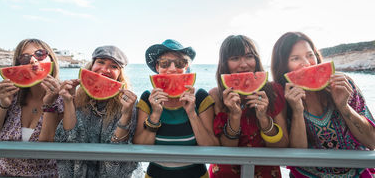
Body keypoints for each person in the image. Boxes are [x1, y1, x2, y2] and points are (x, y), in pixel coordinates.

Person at [271, 31, 375, 177]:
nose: (307, 64)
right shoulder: (282, 97)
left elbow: (372, 141)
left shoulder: (343, 84)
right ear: (283, 66)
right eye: (295, 58)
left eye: (310, 55)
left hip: (356, 173)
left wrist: (344, 107)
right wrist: (297, 111)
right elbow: (298, 155)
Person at [133, 39, 219, 178]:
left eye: (180, 63)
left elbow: (212, 148)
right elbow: (140, 148)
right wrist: (155, 115)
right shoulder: (148, 98)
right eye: (165, 63)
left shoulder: (201, 97)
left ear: (187, 67)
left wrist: (192, 114)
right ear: (157, 67)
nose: (172, 68)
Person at [0, 38, 63, 177]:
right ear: (19, 65)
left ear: (51, 58)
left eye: (40, 54)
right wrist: (3, 105)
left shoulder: (64, 98)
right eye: (25, 58)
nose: (33, 60)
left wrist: (50, 103)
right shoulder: (10, 95)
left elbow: (47, 149)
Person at [209, 35, 289, 178]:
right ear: (224, 63)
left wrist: (263, 118)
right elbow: (227, 149)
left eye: (249, 56)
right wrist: (234, 116)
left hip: (267, 174)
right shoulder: (216, 96)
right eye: (235, 58)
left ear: (256, 60)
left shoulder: (274, 91)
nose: (244, 64)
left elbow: (281, 145)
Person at [54, 45, 139, 178]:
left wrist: (126, 114)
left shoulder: (128, 103)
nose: (105, 69)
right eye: (100, 62)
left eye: (114, 66)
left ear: (120, 75)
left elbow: (117, 155)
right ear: (92, 65)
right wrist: (69, 102)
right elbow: (69, 140)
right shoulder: (76, 97)